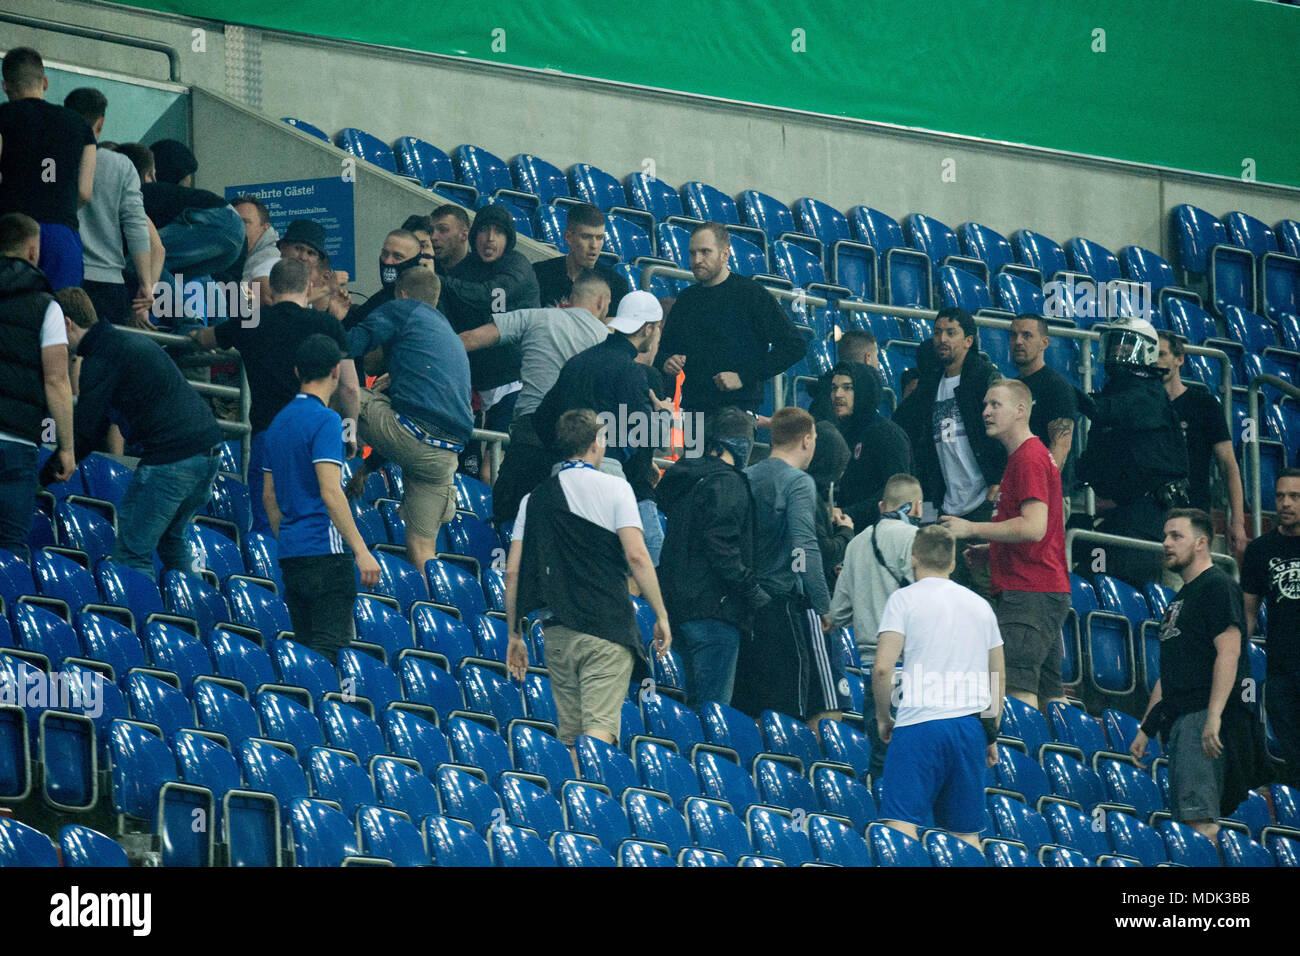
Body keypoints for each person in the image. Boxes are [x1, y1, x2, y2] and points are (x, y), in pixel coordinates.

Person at [505, 408, 671, 753]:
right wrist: (661, 614)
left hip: (556, 632)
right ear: (596, 442)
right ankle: (588, 803)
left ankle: (569, 802)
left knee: (569, 736)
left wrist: (514, 634)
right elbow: (637, 556)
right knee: (598, 732)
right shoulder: (616, 488)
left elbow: (513, 571)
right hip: (606, 628)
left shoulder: (532, 499)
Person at [51, 287, 222, 581]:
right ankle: (191, 616)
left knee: (132, 555)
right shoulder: (122, 343)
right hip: (208, 452)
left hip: (172, 459)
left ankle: (141, 622)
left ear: (67, 323)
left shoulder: (102, 356)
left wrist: (45, 477)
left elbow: (86, 432)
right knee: (172, 541)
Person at [191, 257, 360, 533]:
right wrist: (350, 431)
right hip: (316, 436)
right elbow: (351, 388)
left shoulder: (251, 321)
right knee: (317, 521)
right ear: (308, 287)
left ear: (271, 290)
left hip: (269, 436)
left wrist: (195, 333)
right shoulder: (327, 325)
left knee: (267, 525)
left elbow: (205, 338)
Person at [1131, 509, 1266, 840]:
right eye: (1165, 536)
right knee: (1189, 820)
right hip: (1181, 719)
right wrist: (1145, 729)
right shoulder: (1179, 599)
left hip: (1201, 717)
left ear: (1202, 543)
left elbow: (1229, 652)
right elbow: (1171, 672)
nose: (1166, 543)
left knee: (1199, 824)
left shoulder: (1218, 587)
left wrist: (1214, 717)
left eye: (1176, 536)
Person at [873, 525, 1005, 850]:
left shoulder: (903, 600)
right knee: (965, 834)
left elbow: (881, 668)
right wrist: (990, 733)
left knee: (901, 826)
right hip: (970, 728)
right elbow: (997, 676)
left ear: (913, 559)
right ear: (953, 564)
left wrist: (883, 717)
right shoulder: (980, 606)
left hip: (920, 724)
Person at [941, 380, 1070, 711]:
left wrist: (971, 527)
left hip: (1029, 592)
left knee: (1016, 690)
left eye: (995, 404)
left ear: (1020, 410)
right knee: (1050, 696)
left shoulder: (1028, 458)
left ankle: (1023, 760)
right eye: (985, 405)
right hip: (1041, 590)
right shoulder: (1028, 456)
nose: (985, 412)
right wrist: (992, 548)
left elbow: (1034, 526)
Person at [459, 268, 614, 523]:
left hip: (529, 437)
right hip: (579, 444)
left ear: (572, 297)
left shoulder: (535, 317)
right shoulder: (607, 341)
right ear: (602, 302)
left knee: (506, 519)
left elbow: (470, 338)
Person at [344, 268, 472, 571]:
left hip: (413, 435)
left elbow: (350, 344)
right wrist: (366, 468)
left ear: (400, 293)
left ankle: (324, 452)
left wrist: (337, 319)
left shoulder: (404, 308)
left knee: (344, 387)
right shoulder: (447, 334)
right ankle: (433, 608)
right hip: (446, 457)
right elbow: (413, 433)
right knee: (423, 550)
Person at [262, 334, 381, 663]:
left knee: (306, 645)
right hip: (325, 553)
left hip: (291, 552)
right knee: (331, 648)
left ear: (297, 370)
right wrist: (361, 550)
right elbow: (331, 492)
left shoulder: (277, 423)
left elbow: (269, 496)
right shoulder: (327, 421)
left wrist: (288, 538)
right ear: (335, 371)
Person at [737, 407, 849, 727]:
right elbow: (804, 546)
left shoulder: (747, 475)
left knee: (756, 708)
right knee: (788, 707)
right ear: (806, 440)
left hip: (745, 602)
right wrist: (823, 604)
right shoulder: (798, 482)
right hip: (782, 606)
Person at [656, 408, 769, 711]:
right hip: (715, 611)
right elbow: (721, 544)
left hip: (678, 609)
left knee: (686, 707)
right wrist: (752, 590)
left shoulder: (687, 479)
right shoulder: (728, 482)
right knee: (711, 712)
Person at [893, 307, 1005, 595]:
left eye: (951, 332)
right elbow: (908, 434)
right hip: (943, 507)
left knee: (985, 589)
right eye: (937, 332)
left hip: (983, 503)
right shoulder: (930, 386)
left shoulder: (985, 379)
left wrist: (998, 481)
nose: (942, 339)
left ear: (969, 340)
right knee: (946, 588)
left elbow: (1008, 430)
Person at [1076, 317, 1190, 587]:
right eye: (1114, 345)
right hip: (1123, 513)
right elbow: (1092, 463)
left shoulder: (1147, 394)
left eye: (1127, 347)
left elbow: (1106, 409)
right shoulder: (1115, 394)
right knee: (1089, 570)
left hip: (1151, 516)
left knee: (1128, 584)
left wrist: (1060, 388)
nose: (1119, 352)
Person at [830, 473, 923, 784]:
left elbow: (839, 612)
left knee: (882, 756)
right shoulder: (915, 541)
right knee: (913, 763)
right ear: (917, 507)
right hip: (911, 666)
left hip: (873, 669)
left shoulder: (857, 543)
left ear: (883, 505)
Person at [654, 222, 805, 415]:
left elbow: (794, 345)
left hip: (738, 410)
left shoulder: (751, 294)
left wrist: (744, 377)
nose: (697, 259)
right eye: (692, 253)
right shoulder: (686, 299)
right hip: (694, 409)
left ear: (725, 254)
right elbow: (664, 350)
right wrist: (667, 361)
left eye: (705, 252)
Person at [532, 292, 665, 494]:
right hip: (605, 472)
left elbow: (541, 419)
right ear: (648, 329)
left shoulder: (577, 361)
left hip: (561, 472)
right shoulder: (629, 370)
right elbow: (647, 433)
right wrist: (663, 413)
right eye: (657, 328)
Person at [0, 213, 75, 559]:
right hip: (17, 442)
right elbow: (57, 380)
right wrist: (66, 447)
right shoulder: (48, 307)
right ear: (32, 251)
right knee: (12, 549)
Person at [437, 204, 540, 442]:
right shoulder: (464, 270)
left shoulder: (518, 265)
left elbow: (491, 295)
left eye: (499, 232)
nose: (490, 239)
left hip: (514, 381)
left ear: (509, 237)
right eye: (484, 230)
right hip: (472, 384)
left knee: (496, 460)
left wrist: (443, 283)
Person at [0, 48, 96, 291]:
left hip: (11, 231)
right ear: (44, 82)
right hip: (61, 232)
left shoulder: (3, 116)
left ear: (5, 86)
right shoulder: (79, 125)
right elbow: (85, 192)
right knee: (62, 316)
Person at [62, 88, 154, 328]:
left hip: (66, 272)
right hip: (108, 281)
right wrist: (146, 283)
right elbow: (135, 224)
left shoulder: (51, 159)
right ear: (100, 123)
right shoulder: (121, 165)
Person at [1158, 330, 1248, 558]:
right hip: (1148, 514)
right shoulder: (1141, 405)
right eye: (1151, 355)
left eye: (1161, 354)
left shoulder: (1204, 404)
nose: (1156, 362)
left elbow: (1228, 464)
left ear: (1179, 359)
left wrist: (1237, 522)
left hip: (1192, 512)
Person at [1242, 469, 1300, 790]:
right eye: (1280, 496)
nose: (1285, 503)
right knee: (1293, 760)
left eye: (1295, 497)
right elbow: (1247, 614)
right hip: (1281, 672)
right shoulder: (1260, 550)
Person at [139, 139, 245, 294]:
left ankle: (182, 318)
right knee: (169, 276)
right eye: (188, 177)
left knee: (143, 260)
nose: (189, 183)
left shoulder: (140, 194)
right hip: (231, 234)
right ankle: (198, 318)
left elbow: (152, 253)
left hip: (216, 224)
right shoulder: (175, 198)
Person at [827, 360, 912, 528]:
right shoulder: (843, 433)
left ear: (863, 391)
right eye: (834, 388)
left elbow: (899, 491)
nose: (838, 394)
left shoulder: (886, 433)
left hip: (883, 535)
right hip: (851, 533)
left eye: (847, 387)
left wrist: (848, 513)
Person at [533, 202, 630, 311]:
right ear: (568, 237)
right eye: (586, 237)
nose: (594, 245)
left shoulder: (616, 284)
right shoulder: (540, 274)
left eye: (599, 238)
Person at [1010, 314, 1076, 471]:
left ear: (1044, 343)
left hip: (1042, 489)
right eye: (1013, 335)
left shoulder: (1056, 387)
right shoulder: (1012, 387)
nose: (1018, 341)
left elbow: (1060, 446)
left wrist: (1043, 488)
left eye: (1027, 335)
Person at [807, 420, 855, 591]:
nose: (841, 474)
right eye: (840, 466)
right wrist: (845, 531)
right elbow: (824, 553)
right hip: (808, 596)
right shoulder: (809, 498)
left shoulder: (803, 491)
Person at [343, 228, 422, 330]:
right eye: (385, 254)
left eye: (397, 256)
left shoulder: (424, 303)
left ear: (415, 262)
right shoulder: (380, 298)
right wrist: (341, 316)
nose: (388, 261)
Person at [808, 329, 878, 420]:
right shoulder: (865, 404)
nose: (878, 363)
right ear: (867, 358)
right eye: (876, 356)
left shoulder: (820, 398)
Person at [231, 195, 281, 300]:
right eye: (234, 223)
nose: (238, 228)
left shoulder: (268, 259)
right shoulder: (238, 256)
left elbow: (244, 303)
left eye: (245, 222)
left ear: (265, 227)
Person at [428, 205, 470, 271]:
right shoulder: (424, 262)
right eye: (430, 231)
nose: (433, 237)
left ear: (464, 235)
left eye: (443, 230)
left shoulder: (478, 274)